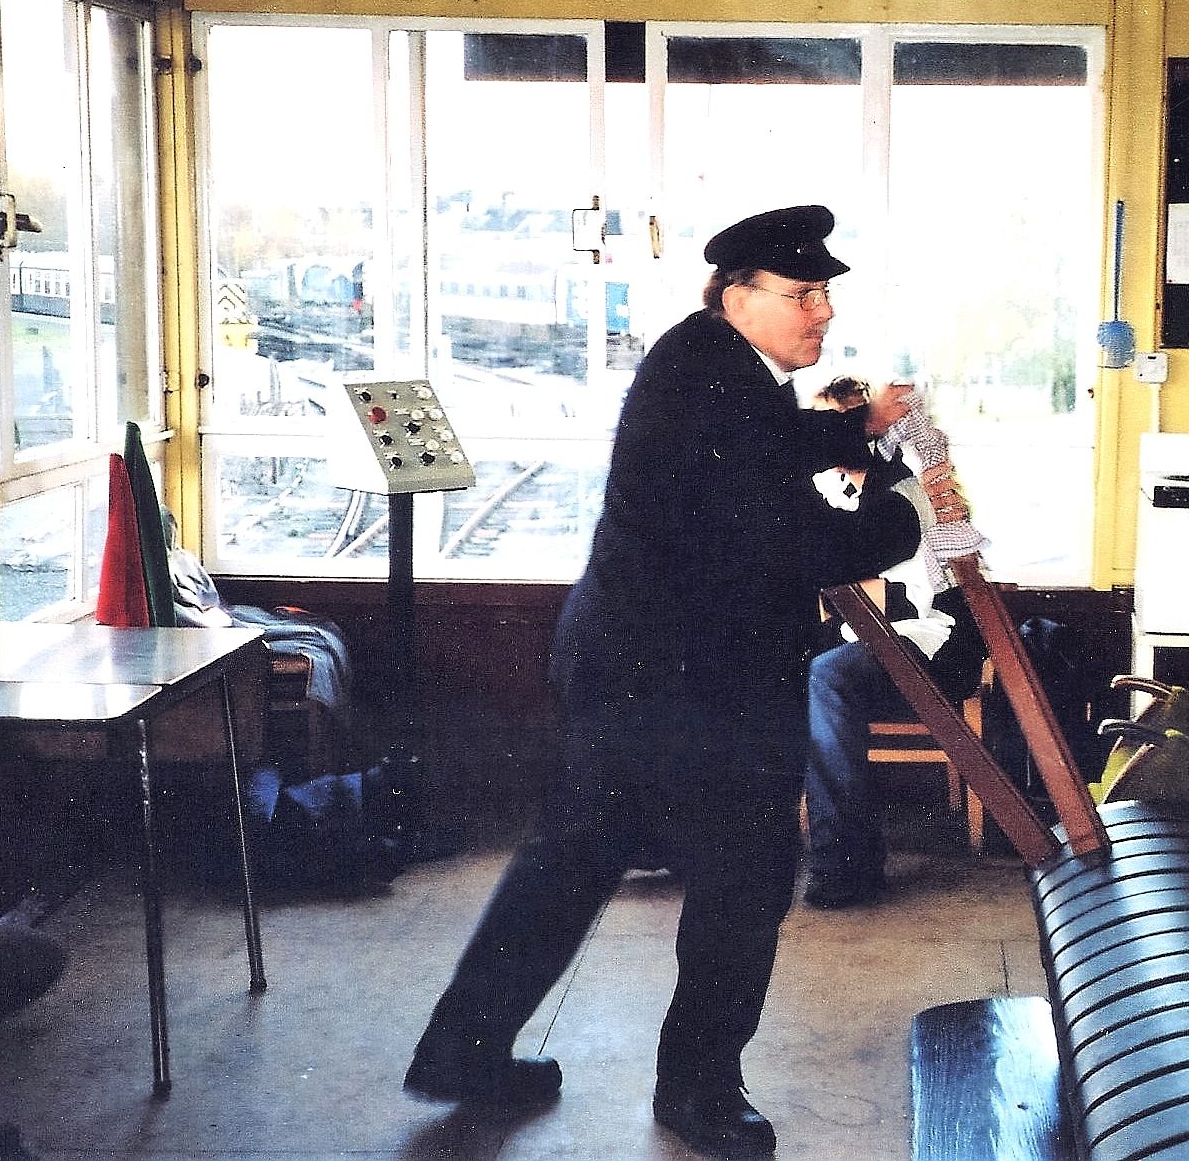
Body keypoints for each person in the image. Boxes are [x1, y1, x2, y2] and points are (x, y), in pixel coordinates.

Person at [405, 205, 953, 1158]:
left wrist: (857, 428)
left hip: (630, 663)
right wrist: (910, 514)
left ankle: (463, 1053)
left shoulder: (708, 361)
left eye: (825, 293)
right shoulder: (723, 388)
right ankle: (699, 1092)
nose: (822, 315)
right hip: (696, 686)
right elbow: (792, 543)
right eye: (802, 296)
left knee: (570, 863)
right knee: (745, 879)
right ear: (738, 297)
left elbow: (767, 448)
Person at [799, 378, 987, 910]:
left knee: (826, 676)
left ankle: (845, 863)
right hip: (857, 642)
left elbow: (900, 600)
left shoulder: (909, 493)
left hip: (927, 643)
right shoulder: (827, 494)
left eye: (838, 430)